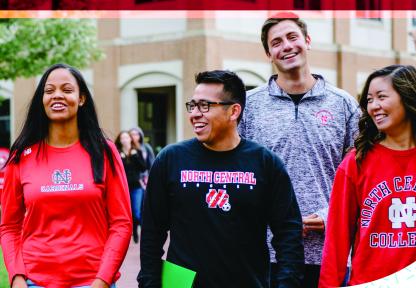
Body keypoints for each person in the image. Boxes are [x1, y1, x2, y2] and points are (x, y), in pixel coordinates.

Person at [137, 70, 304, 288]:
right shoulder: (170, 159)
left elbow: (288, 234)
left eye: (205, 106)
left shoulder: (265, 163)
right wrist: (149, 283)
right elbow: (152, 232)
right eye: (193, 105)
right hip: (181, 284)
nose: (195, 114)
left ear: (234, 111)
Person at [319, 65, 416, 287]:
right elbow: (336, 242)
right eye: (369, 99)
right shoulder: (355, 164)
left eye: (381, 97)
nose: (373, 106)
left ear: (408, 98)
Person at [238, 12, 360, 287]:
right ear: (269, 53)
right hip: (266, 252)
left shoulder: (344, 105)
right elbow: (239, 175)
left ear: (307, 41)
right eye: (277, 42)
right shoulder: (249, 106)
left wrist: (330, 215)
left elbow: (360, 175)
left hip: (329, 252)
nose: (287, 46)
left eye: (292, 37)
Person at [0, 63, 132, 288]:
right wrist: (17, 278)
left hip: (92, 281)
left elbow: (121, 223)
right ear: (41, 100)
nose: (57, 96)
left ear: (81, 99)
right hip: (35, 281)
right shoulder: (22, 155)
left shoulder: (104, 151)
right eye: (49, 91)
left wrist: (102, 280)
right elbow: (9, 226)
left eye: (67, 90)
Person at [115, 130, 146, 243]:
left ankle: (136, 231)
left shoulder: (136, 152)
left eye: (126, 137)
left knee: (137, 212)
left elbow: (143, 167)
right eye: (122, 138)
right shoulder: (117, 153)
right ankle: (130, 233)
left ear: (130, 139)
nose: (124, 140)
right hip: (123, 187)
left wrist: (134, 156)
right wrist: (121, 158)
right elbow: (116, 170)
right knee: (127, 212)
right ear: (120, 141)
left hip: (136, 186)